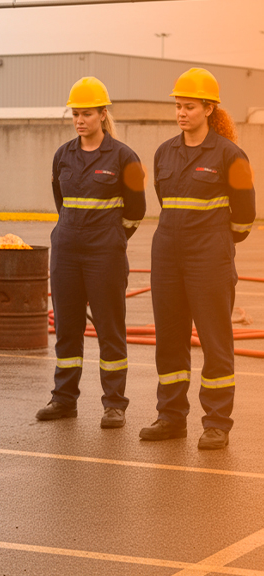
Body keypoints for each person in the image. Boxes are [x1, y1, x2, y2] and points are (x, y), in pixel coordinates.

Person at [140, 68, 255, 450]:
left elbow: (244, 218)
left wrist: (216, 244)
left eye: (189, 106)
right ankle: (171, 417)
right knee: (170, 340)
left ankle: (217, 422)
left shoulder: (231, 156)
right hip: (168, 255)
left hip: (210, 258)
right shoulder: (164, 153)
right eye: (178, 106)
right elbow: (165, 201)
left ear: (209, 108)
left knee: (215, 341)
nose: (181, 113)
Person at [36, 77, 146, 429]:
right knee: (67, 330)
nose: (79, 120)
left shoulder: (124, 157)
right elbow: (61, 202)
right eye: (75, 114)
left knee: (110, 329)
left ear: (103, 114)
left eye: (86, 114)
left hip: (105, 254)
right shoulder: (63, 156)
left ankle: (114, 404)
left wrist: (112, 237)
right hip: (67, 250)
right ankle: (63, 399)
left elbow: (136, 210)